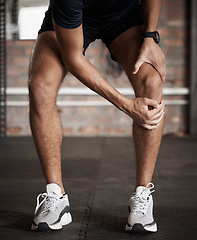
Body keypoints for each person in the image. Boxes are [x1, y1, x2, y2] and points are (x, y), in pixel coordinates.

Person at [29, 0, 165, 233]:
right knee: (40, 86)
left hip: (124, 17)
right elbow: (73, 60)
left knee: (151, 82)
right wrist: (126, 105)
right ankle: (56, 195)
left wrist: (150, 36)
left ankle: (143, 195)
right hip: (72, 21)